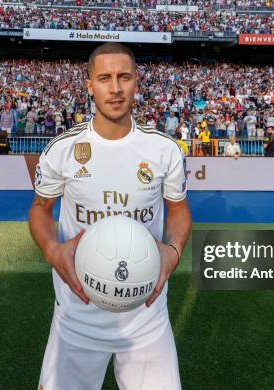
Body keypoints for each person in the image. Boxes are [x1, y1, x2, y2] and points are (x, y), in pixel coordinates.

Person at [29, 43, 190, 390]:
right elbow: (40, 209)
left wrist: (173, 251)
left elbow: (178, 208)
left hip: (146, 317)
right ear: (89, 85)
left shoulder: (164, 150)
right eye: (104, 78)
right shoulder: (63, 149)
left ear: (137, 82)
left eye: (124, 77)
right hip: (77, 316)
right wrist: (51, 250)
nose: (115, 88)